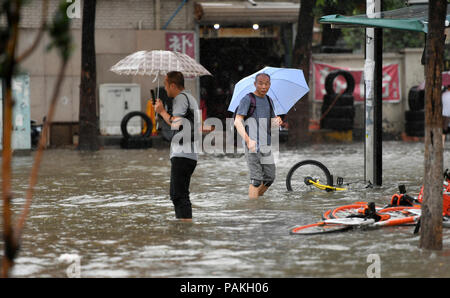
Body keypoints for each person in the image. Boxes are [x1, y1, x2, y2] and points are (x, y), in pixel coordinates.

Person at [154, 71, 199, 221]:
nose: (166, 90)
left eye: (166, 86)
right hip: (190, 154)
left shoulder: (180, 98)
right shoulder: (191, 98)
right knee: (179, 195)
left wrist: (161, 112)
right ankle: (184, 230)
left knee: (178, 195)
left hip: (182, 154)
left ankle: (184, 232)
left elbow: (177, 123)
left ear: (173, 85)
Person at [234, 73, 283, 199]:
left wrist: (277, 121)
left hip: (266, 144)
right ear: (255, 84)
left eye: (266, 84)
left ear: (270, 85)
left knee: (269, 178)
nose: (263, 86)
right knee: (256, 179)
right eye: (260, 83)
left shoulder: (269, 100)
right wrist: (248, 140)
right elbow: (237, 121)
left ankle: (255, 203)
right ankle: (253, 210)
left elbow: (272, 123)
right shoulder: (248, 99)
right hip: (252, 144)